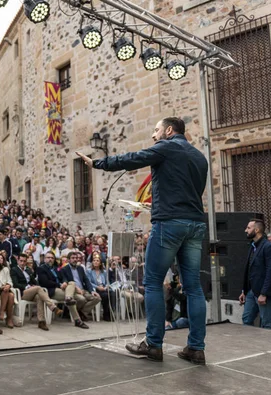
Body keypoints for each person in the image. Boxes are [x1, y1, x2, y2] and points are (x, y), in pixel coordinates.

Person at [77, 117, 208, 363]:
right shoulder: (200, 157)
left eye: (156, 130)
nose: (153, 135)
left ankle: (153, 344)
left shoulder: (167, 146)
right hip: (195, 224)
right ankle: (196, 348)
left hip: (169, 223)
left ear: (169, 130)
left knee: (152, 282)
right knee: (194, 288)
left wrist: (97, 163)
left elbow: (133, 158)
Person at [240, 219, 271, 329]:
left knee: (267, 323)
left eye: (248, 228)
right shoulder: (252, 246)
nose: (245, 230)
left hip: (264, 292)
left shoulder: (269, 246)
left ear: (257, 230)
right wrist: (244, 291)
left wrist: (264, 293)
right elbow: (249, 270)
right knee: (246, 319)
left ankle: (270, 345)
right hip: (251, 292)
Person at [37, 252, 89, 329]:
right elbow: (45, 282)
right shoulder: (41, 268)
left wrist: (64, 282)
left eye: (52, 258)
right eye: (48, 258)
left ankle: (68, 298)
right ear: (44, 259)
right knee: (73, 297)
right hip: (52, 290)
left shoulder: (57, 268)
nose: (50, 259)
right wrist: (59, 285)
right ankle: (77, 320)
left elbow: (64, 277)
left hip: (62, 289)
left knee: (71, 283)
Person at [10, 253, 62, 331]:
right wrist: (28, 287)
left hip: (32, 292)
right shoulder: (14, 270)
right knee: (38, 288)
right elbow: (15, 284)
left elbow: (35, 282)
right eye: (21, 261)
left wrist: (33, 285)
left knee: (39, 296)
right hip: (22, 292)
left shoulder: (28, 270)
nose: (22, 263)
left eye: (24, 261)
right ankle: (52, 306)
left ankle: (41, 321)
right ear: (17, 261)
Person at [59, 251, 101, 322]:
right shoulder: (64, 269)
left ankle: (81, 313)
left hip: (83, 290)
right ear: (68, 260)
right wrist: (76, 288)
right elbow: (65, 281)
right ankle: (77, 314)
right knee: (82, 299)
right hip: (74, 291)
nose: (75, 259)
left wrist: (92, 291)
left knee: (97, 298)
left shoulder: (80, 268)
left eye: (76, 258)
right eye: (73, 258)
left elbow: (86, 280)